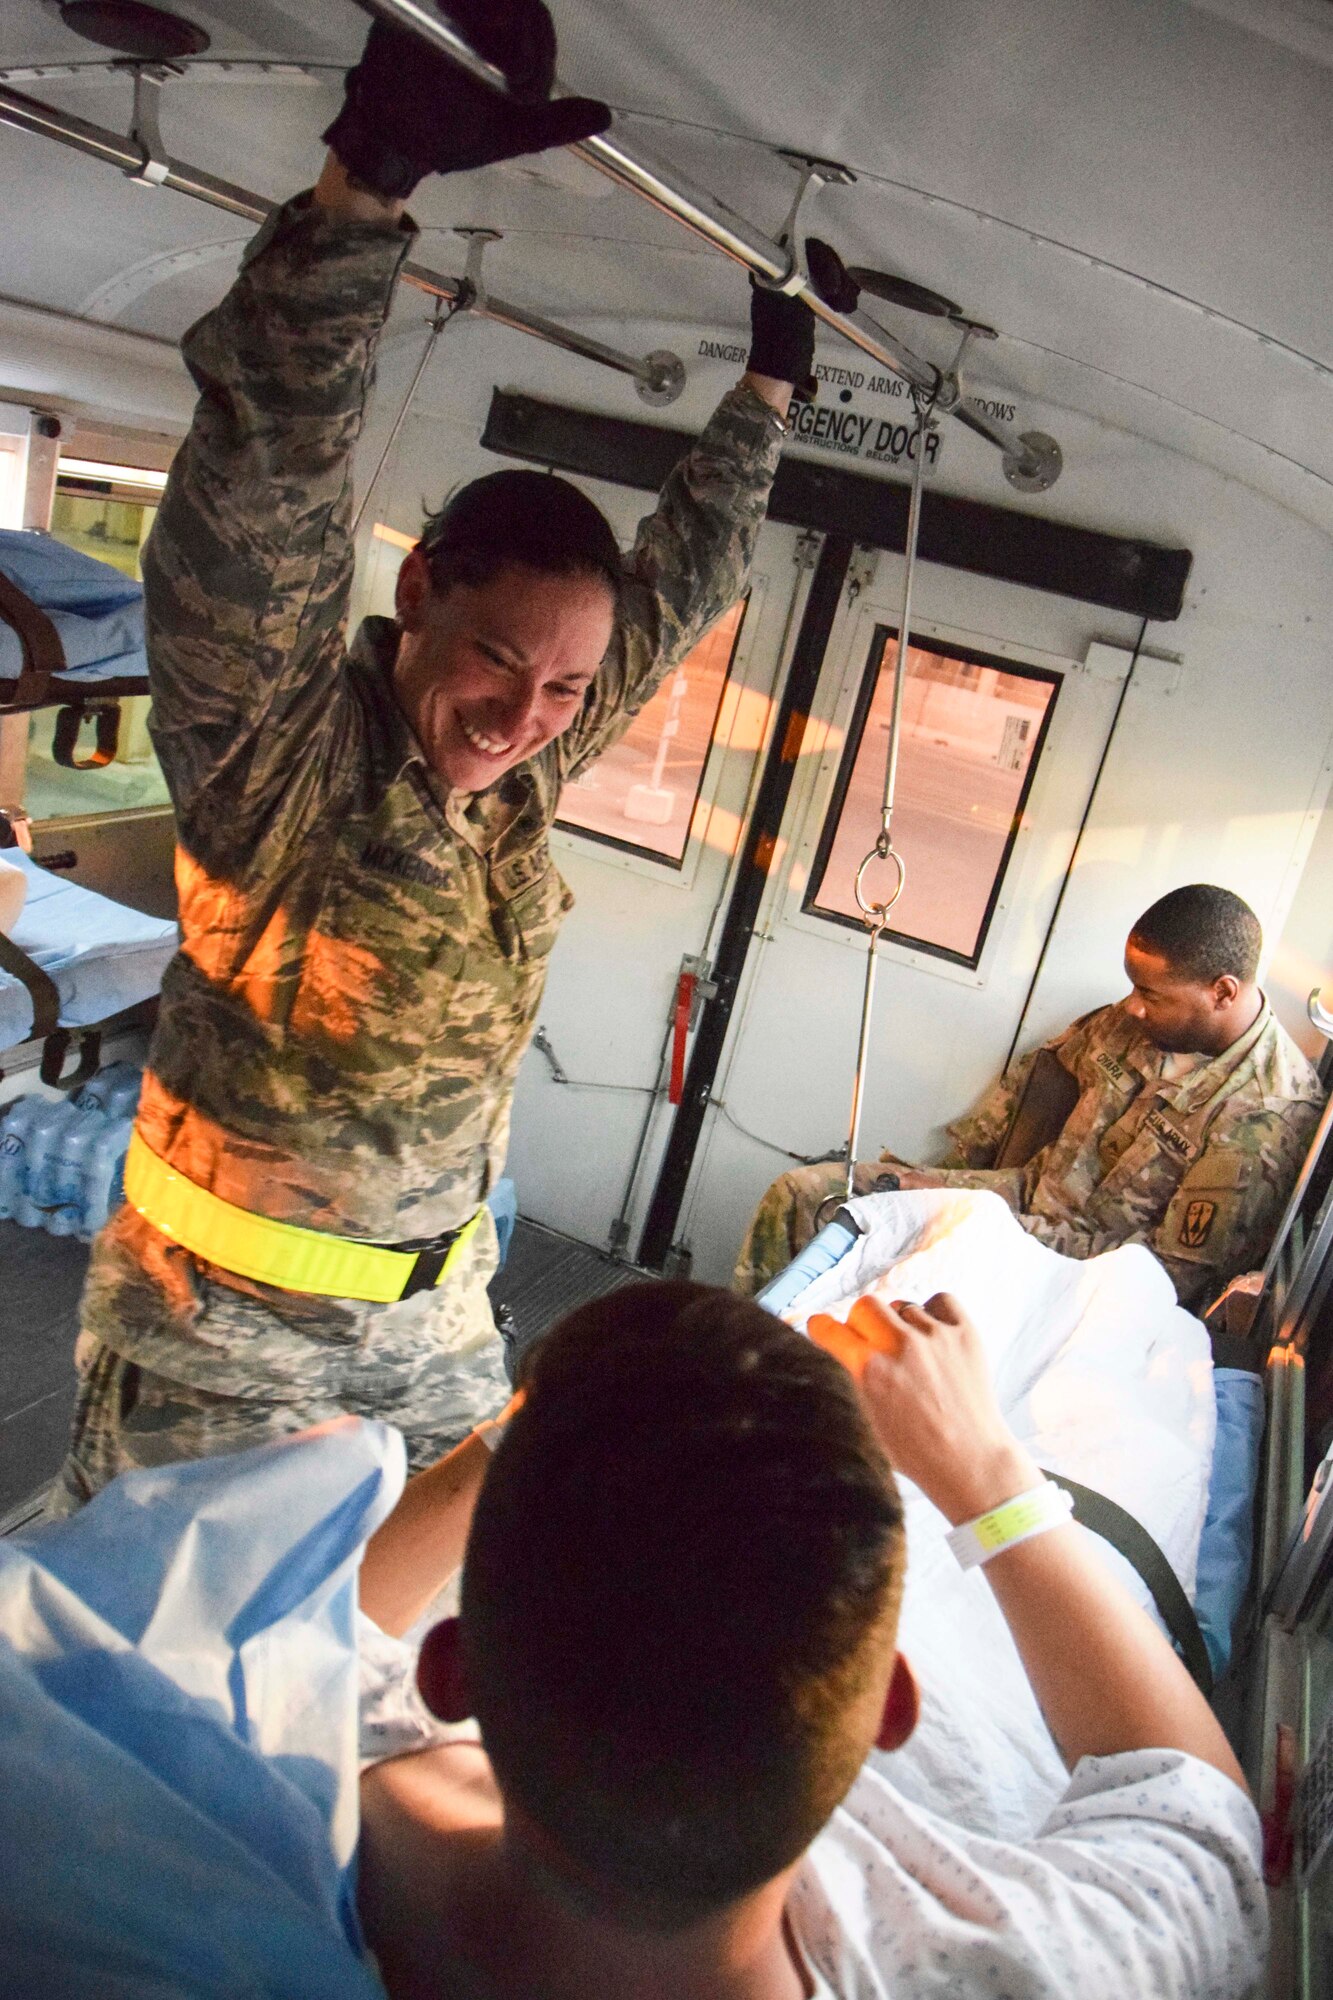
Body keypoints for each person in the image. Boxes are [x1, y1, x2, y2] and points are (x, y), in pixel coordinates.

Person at [49, 0, 814, 1515]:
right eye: (496, 661)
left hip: (431, 1324)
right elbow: (263, 477)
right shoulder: (279, 756)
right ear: (420, 602)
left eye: (562, 688)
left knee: (443, 1644)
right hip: (218, 1354)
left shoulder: (518, 767)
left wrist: (771, 386)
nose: (526, 712)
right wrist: (369, 184)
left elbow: (678, 585)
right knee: (163, 1714)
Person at [347, 1279, 1264, 1998]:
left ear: (448, 1669)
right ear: (888, 1708)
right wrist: (984, 1473)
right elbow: (1200, 1820)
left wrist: (541, 1422)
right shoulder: (1041, 1968)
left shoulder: (298, 1781)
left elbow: (319, 1623)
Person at [736, 882, 1324, 1308]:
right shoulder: (1133, 1023)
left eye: (1151, 993)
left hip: (1073, 1280)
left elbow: (1166, 1278)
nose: (1131, 1005)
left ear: (1222, 992)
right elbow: (1032, 1084)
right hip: (1012, 1202)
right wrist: (938, 1177)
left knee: (886, 1279)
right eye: (1131, 985)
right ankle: (733, 1365)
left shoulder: (1264, 1115)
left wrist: (970, 1219)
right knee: (809, 1194)